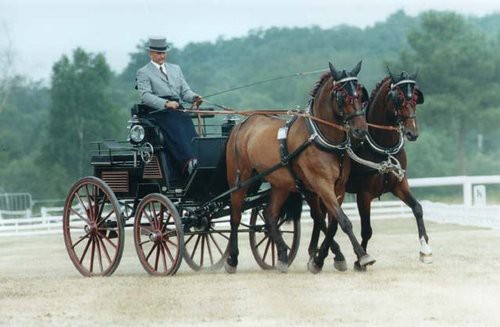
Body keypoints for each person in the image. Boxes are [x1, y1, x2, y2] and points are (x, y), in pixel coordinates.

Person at [135, 36, 202, 176]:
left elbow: (185, 91)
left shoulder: (175, 69)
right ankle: (187, 162)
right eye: (159, 53)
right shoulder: (143, 72)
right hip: (157, 111)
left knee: (186, 119)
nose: (162, 56)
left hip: (177, 108)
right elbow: (145, 95)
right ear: (151, 54)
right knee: (176, 120)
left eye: (164, 53)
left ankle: (196, 158)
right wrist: (165, 103)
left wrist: (194, 97)